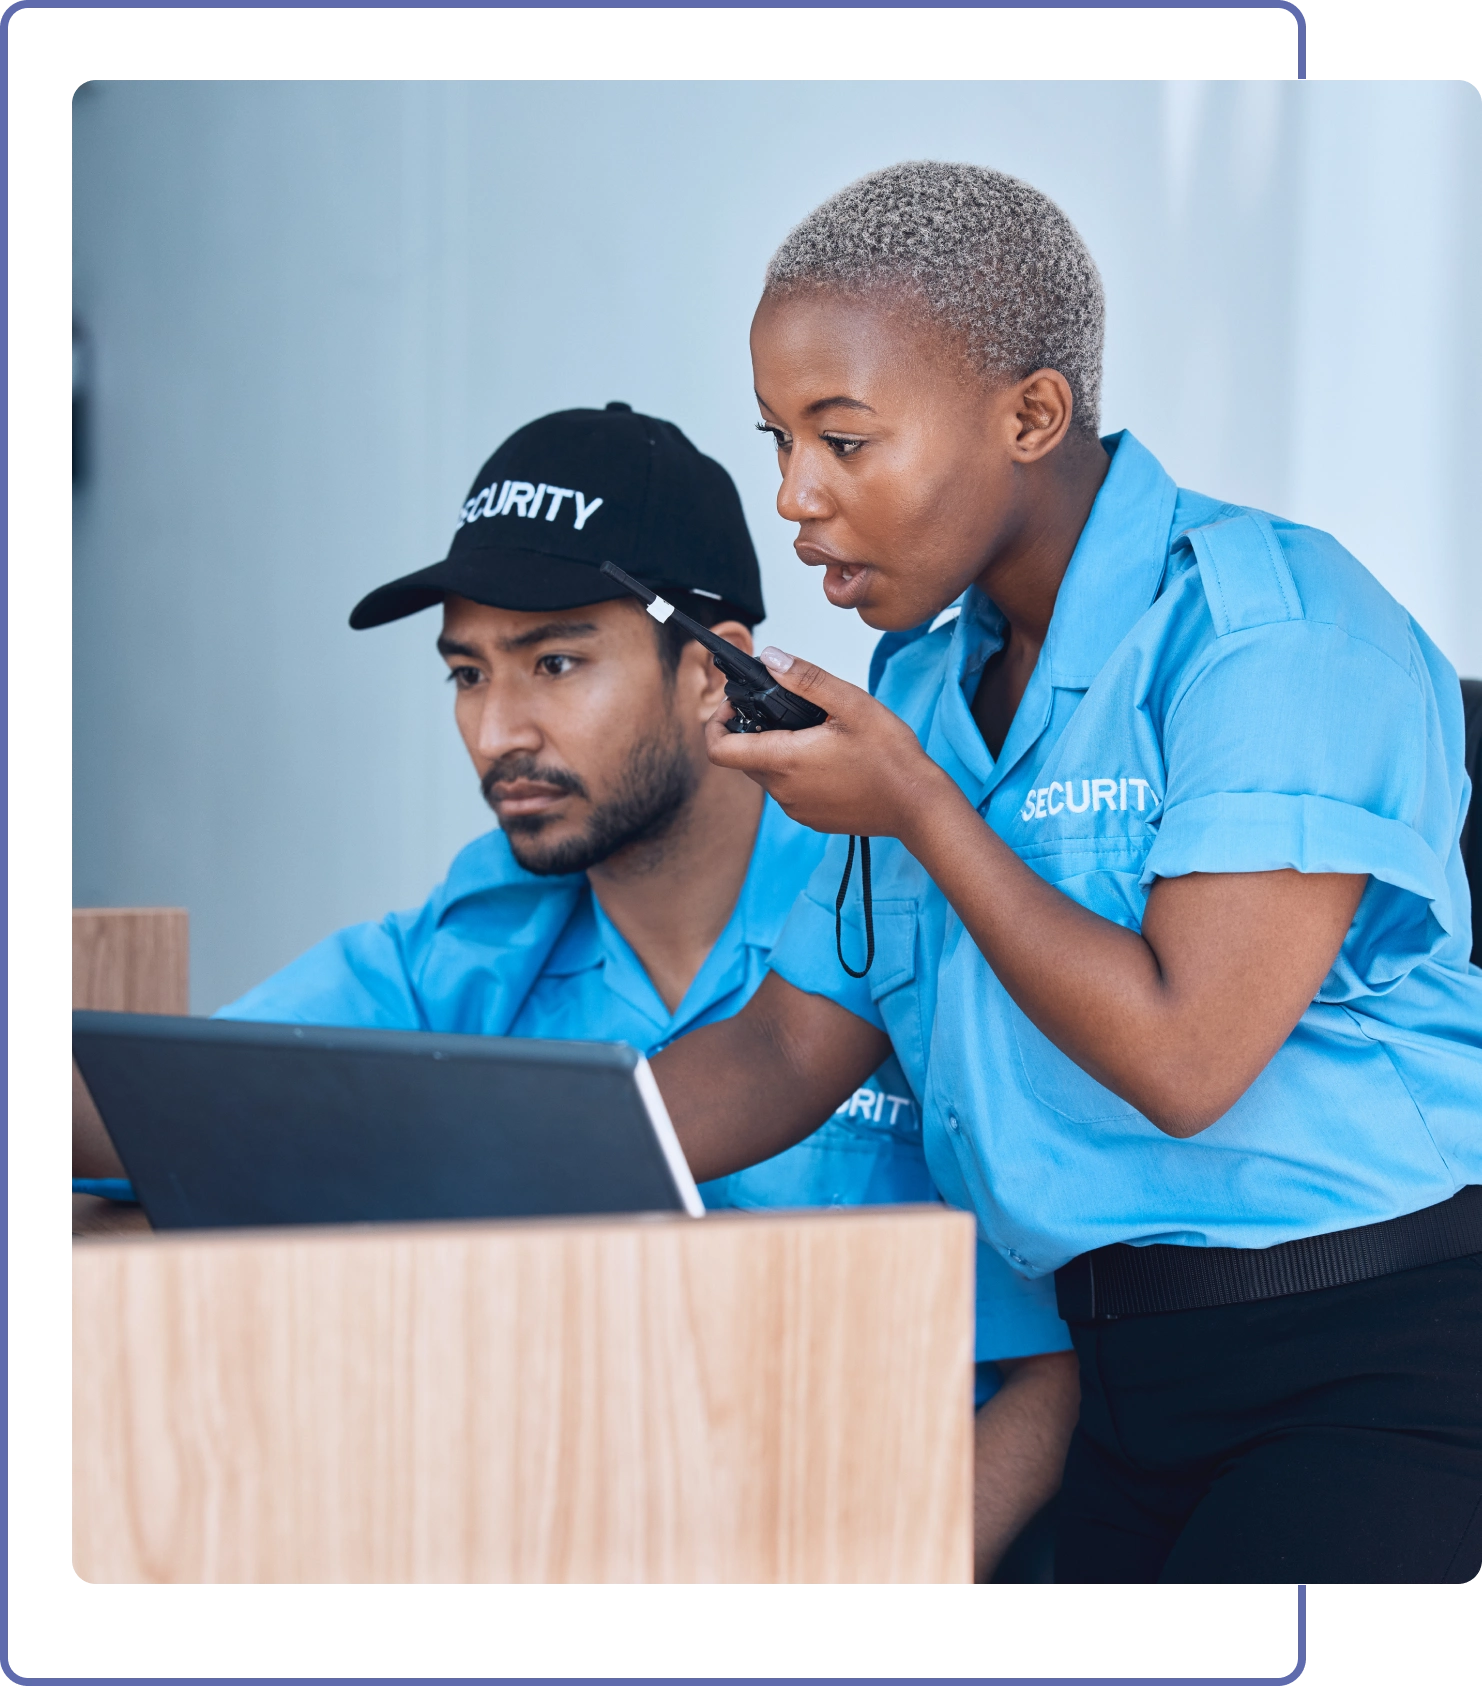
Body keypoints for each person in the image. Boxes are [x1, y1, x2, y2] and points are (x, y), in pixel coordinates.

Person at [649, 163, 1482, 1585]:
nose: (794, 498)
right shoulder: (921, 680)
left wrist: (915, 804)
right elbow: (791, 1045)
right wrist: (475, 1156)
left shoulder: (1272, 636)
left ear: (1028, 415)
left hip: (1372, 1360)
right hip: (1124, 1385)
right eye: (779, 439)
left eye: (842, 440)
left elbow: (1183, 1053)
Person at [217, 400, 1079, 1582]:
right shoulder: (473, 941)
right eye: (468, 674)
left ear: (713, 674)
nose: (496, 731)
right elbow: (184, 1102)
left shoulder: (894, 906)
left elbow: (1059, 1370)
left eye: (557, 663)